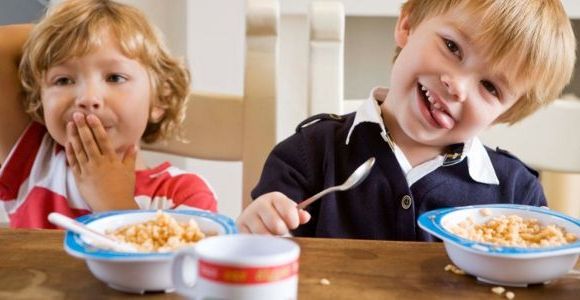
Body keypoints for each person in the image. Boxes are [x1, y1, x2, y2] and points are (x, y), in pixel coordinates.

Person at [237, 0, 576, 240]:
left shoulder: (518, 195)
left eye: (489, 87)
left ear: (505, 113)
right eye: (452, 47)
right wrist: (260, 228)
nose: (456, 86)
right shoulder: (308, 155)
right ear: (407, 25)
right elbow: (264, 260)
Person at [0, 0, 217, 229]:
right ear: (39, 100)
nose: (88, 98)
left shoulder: (184, 194)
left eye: (115, 78)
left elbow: (178, 264)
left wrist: (113, 203)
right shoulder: (32, 158)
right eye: (63, 80)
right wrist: (64, 30)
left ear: (159, 98)